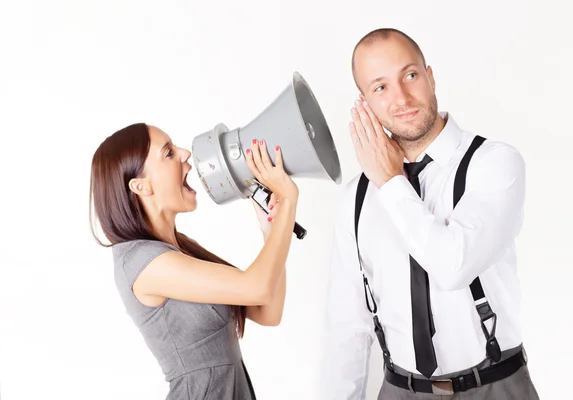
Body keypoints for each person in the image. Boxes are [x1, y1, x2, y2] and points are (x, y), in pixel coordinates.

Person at [320, 28, 539, 399]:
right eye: (381, 87)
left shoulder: (494, 163)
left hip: (494, 386)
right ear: (365, 103)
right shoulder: (356, 197)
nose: (402, 98)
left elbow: (453, 265)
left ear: (430, 75)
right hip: (399, 389)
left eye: (410, 75)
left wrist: (391, 182)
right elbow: (348, 329)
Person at [89, 122, 299, 400]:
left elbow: (267, 312)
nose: (185, 153)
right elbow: (257, 286)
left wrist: (271, 229)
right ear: (140, 186)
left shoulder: (182, 250)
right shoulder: (143, 263)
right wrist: (288, 200)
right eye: (168, 153)